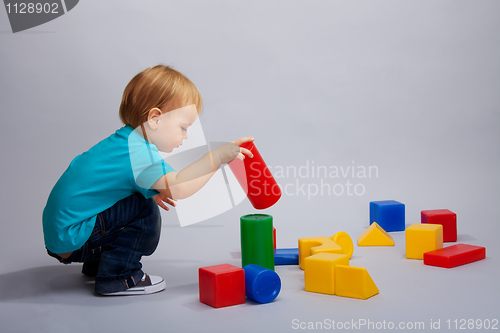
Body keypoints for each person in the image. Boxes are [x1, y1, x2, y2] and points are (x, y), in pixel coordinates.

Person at [42, 65, 253, 296]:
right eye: (183, 127)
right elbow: (179, 187)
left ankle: (99, 264)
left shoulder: (125, 142)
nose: (186, 136)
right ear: (155, 118)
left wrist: (153, 189)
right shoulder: (139, 154)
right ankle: (118, 277)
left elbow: (109, 186)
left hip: (63, 236)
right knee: (144, 209)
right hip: (74, 238)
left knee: (140, 198)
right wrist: (216, 158)